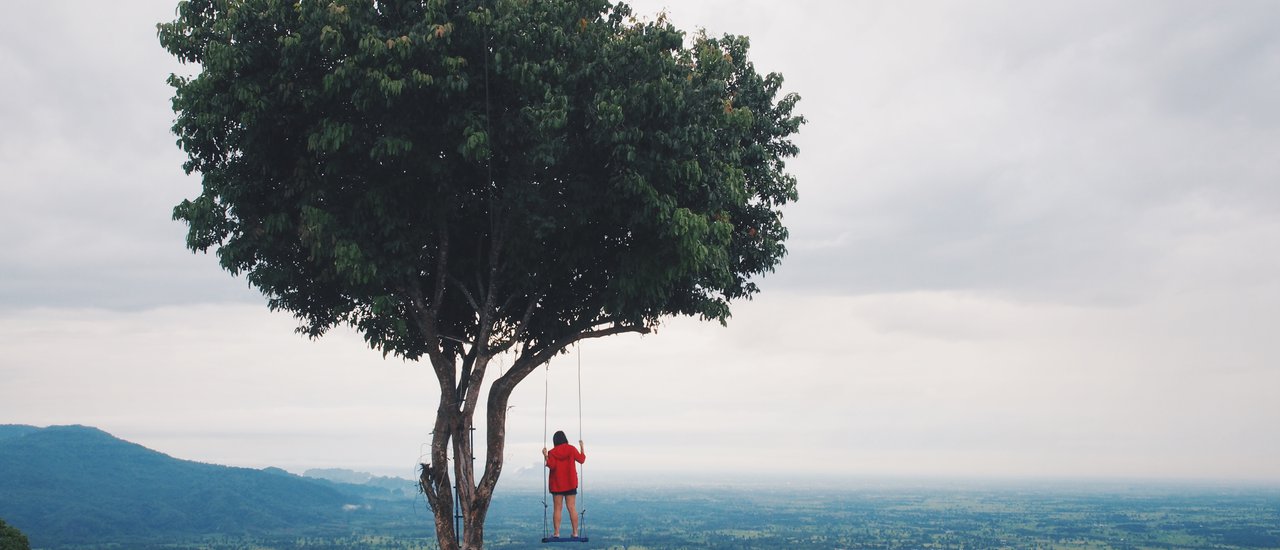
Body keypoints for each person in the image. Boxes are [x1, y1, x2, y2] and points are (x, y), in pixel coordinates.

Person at [543, 430, 586, 539]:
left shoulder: (552, 452)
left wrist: (545, 455)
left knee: (557, 509)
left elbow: (551, 465)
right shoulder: (571, 449)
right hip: (570, 483)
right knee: (572, 507)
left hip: (557, 484)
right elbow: (581, 459)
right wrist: (582, 447)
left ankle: (557, 533)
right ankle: (575, 532)